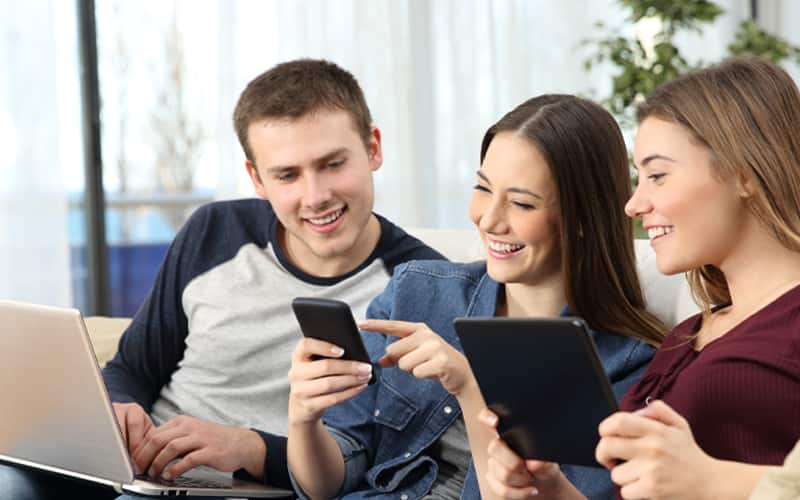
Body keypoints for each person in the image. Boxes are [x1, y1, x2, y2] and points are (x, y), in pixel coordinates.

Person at [0, 59, 443, 499]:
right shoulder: (215, 230)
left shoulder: (425, 286)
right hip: (137, 469)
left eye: (332, 164)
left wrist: (248, 447)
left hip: (244, 486)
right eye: (287, 175)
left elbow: (375, 457)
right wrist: (122, 409)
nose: (315, 196)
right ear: (257, 178)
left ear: (373, 149)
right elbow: (133, 366)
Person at [286, 94, 667, 499]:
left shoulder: (627, 365)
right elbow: (328, 483)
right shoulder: (416, 292)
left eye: (521, 203)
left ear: (581, 221)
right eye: (483, 188)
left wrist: (468, 385)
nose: (488, 219)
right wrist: (303, 420)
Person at [483, 56, 800, 499]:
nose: (633, 205)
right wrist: (550, 489)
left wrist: (711, 482)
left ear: (743, 173)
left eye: (657, 176)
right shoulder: (687, 335)